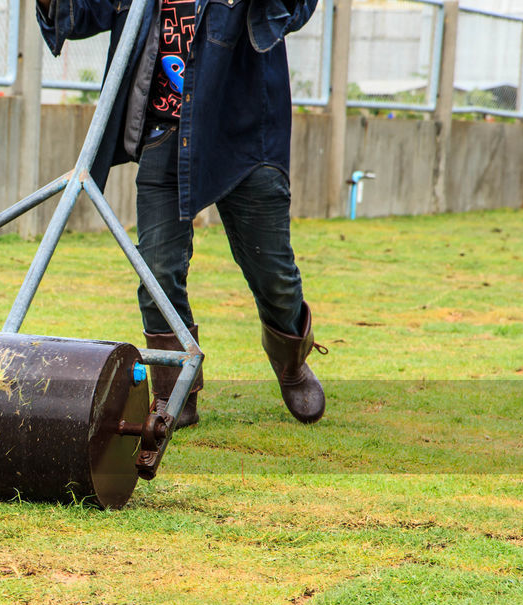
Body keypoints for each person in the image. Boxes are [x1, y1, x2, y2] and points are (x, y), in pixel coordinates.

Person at [37, 0, 326, 426]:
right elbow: (81, 13)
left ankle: (290, 360)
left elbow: (293, 10)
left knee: (274, 274)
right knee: (155, 269)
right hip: (166, 132)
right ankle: (176, 389)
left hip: (245, 134)